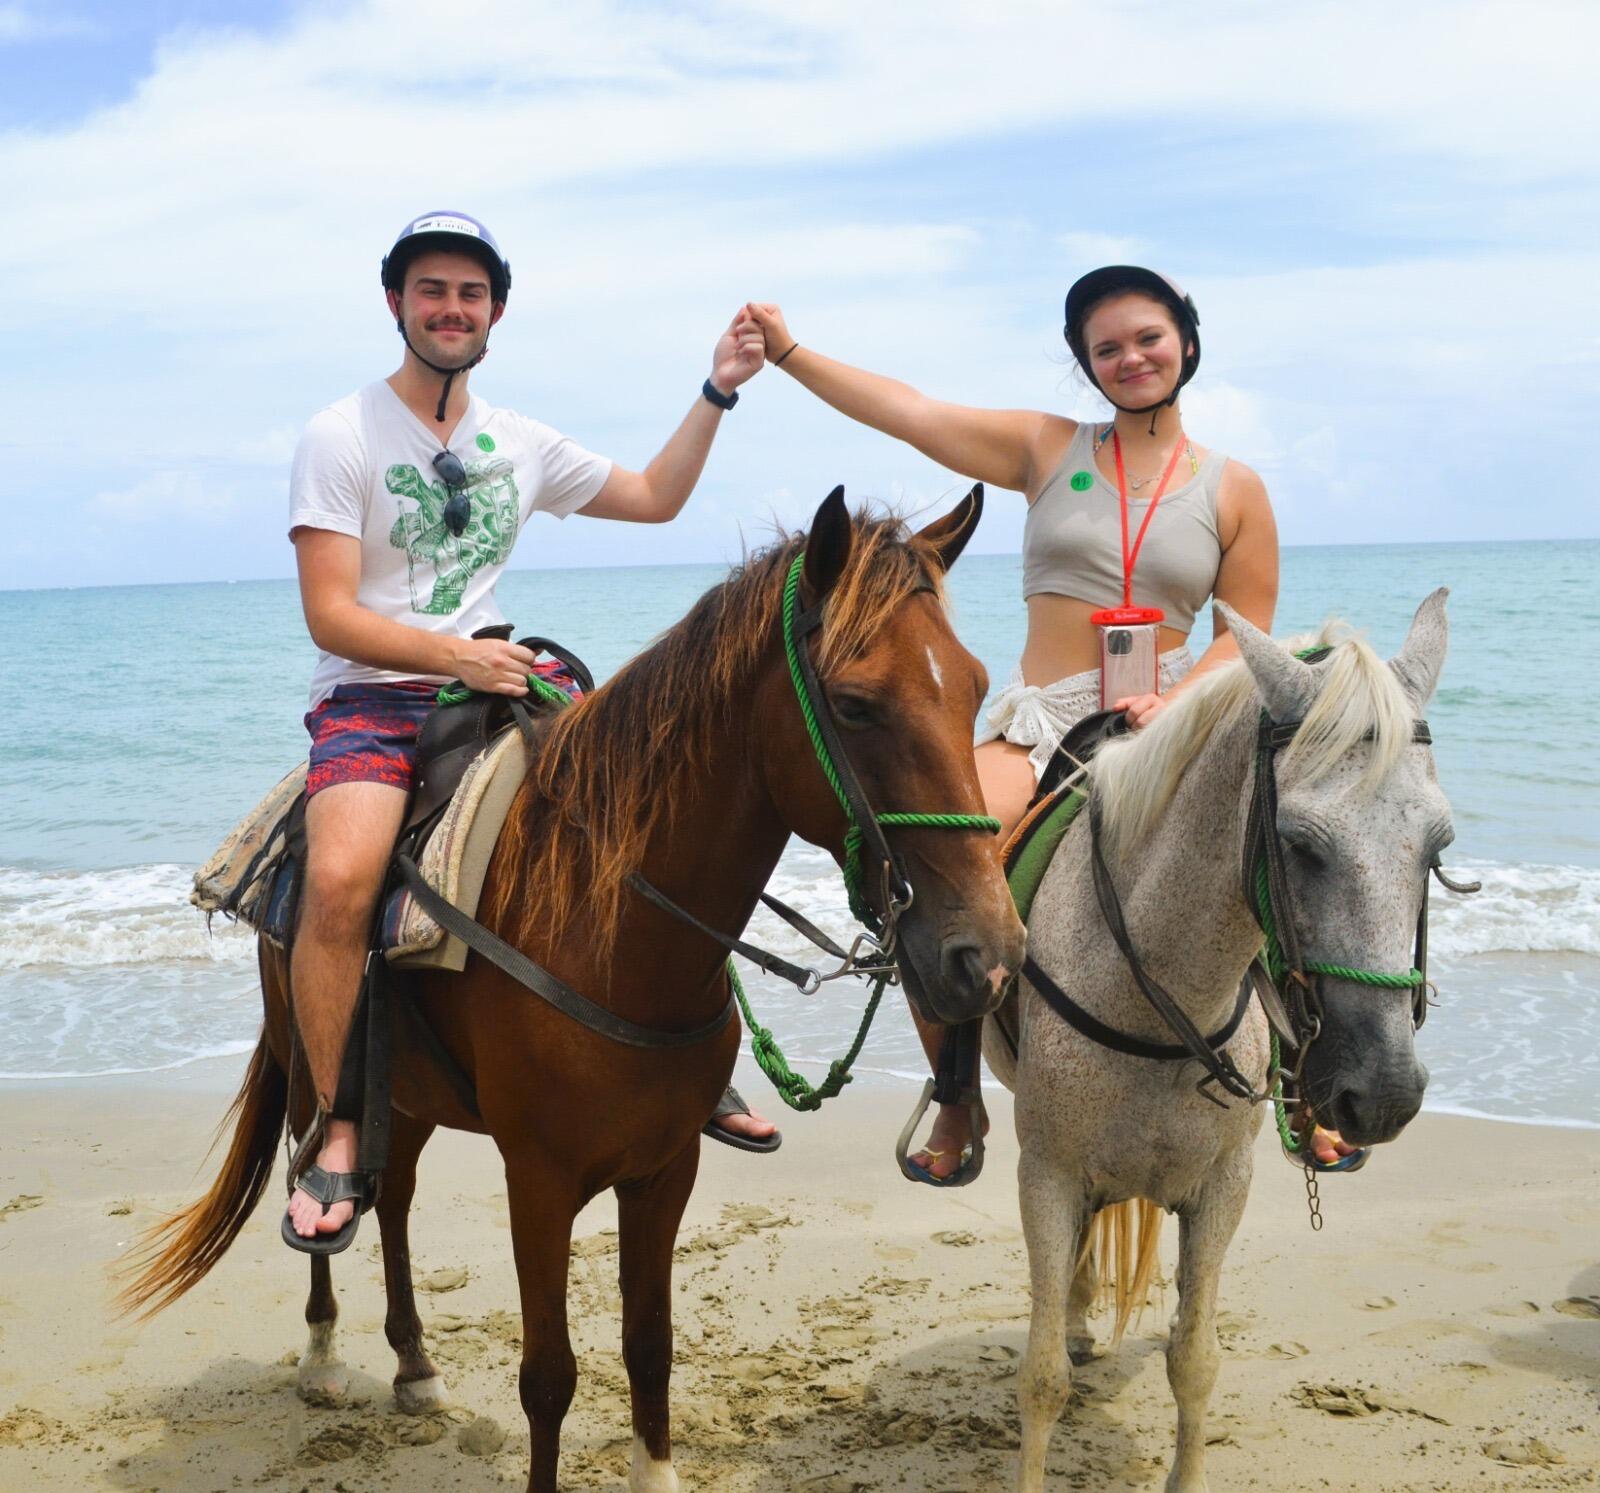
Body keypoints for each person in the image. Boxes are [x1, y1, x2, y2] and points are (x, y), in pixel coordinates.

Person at [741, 267, 1358, 1183]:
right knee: (940, 861)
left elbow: (1244, 633)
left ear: (1185, 339)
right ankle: (957, 1091)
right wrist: (790, 355)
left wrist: (1179, 698)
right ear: (1086, 364)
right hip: (1046, 716)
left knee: (1279, 848)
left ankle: (1305, 1079)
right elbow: (910, 410)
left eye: (1148, 337)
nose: (1131, 357)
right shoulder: (1045, 446)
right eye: (1106, 347)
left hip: (1176, 717)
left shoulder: (1237, 488)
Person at [284, 210, 777, 1253]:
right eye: (430, 290)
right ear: (396, 304)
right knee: (337, 883)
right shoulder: (342, 433)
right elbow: (329, 612)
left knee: (663, 813)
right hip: (375, 695)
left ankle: (693, 1062)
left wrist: (717, 389)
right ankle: (337, 1121)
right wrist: (450, 653)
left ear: (494, 312)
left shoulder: (521, 442)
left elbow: (653, 496)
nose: (450, 308)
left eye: (469, 293)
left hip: (504, 681)